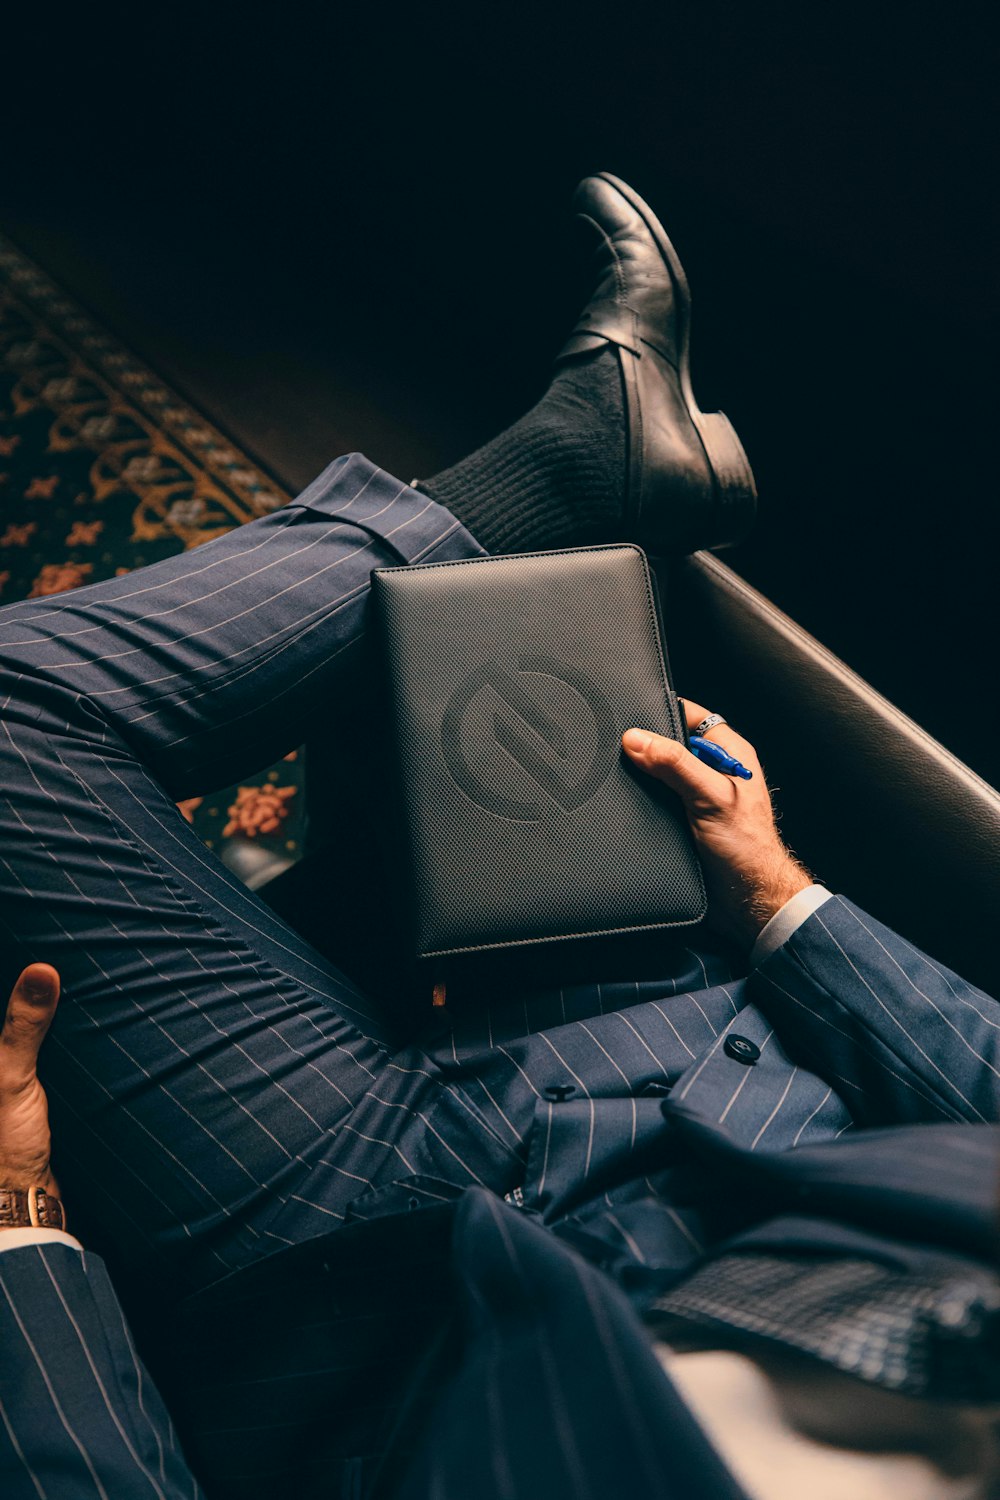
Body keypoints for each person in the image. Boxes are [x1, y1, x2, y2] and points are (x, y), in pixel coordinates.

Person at [0, 173, 998, 1499]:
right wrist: (785, 903)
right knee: (476, 680)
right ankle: (569, 478)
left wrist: (25, 1249)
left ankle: (568, 470)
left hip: (352, 1316)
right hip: (694, 1070)